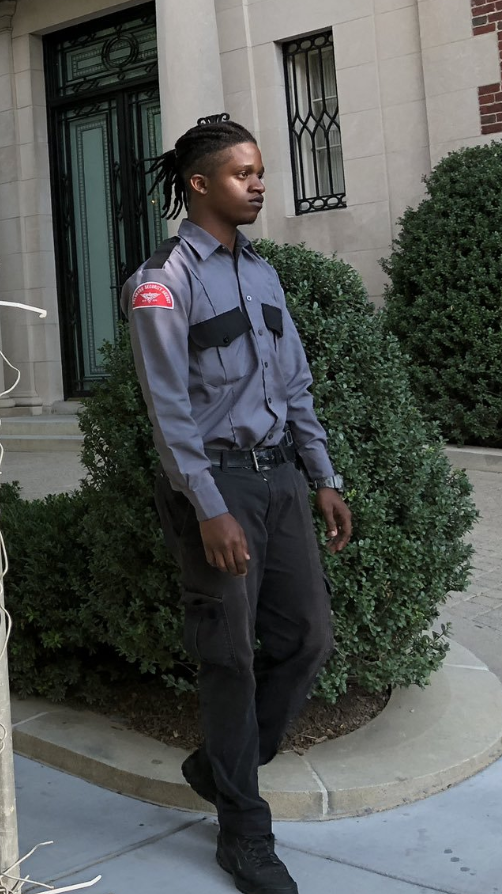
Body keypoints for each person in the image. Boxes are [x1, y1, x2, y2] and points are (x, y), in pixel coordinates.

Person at [121, 116, 352, 894]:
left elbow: (294, 385)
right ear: (199, 185)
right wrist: (209, 505)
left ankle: (220, 767)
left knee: (308, 639)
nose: (258, 184)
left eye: (259, 173)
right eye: (242, 174)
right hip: (213, 488)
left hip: (281, 479)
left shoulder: (262, 273)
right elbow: (168, 410)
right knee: (230, 658)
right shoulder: (163, 280)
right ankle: (244, 837)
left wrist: (323, 477)